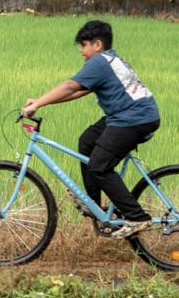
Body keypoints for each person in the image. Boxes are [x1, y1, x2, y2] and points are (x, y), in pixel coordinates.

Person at [21, 20, 160, 240]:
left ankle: (137, 217)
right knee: (87, 141)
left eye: (84, 44)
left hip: (133, 118)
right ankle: (93, 204)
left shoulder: (99, 63)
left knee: (99, 166)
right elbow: (77, 92)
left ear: (97, 45)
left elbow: (69, 86)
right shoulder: (110, 60)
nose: (80, 49)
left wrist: (37, 104)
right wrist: (40, 100)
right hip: (127, 115)